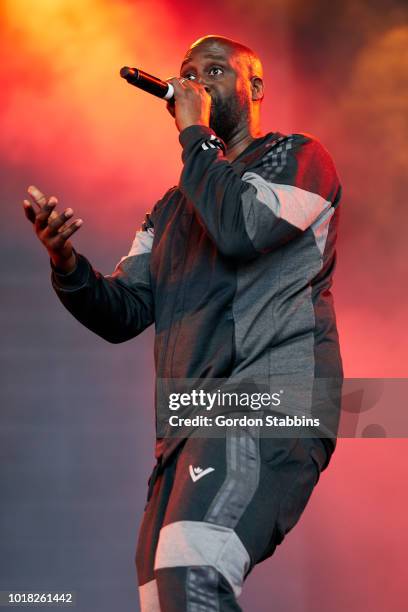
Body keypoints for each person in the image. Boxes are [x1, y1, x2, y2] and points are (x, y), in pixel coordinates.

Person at [23, 34, 343, 612]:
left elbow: (244, 228)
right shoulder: (172, 207)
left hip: (273, 401)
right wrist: (66, 264)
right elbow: (122, 312)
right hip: (191, 420)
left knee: (191, 569)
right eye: (189, 72)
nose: (197, 81)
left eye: (216, 71)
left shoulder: (299, 157)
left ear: (257, 88)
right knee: (164, 594)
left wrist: (194, 135)